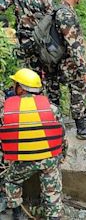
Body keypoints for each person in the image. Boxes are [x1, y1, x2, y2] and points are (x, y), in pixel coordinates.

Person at [0, 68, 67, 219]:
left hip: (23, 160)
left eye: (15, 84)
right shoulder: (52, 108)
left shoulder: (6, 111)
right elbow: (61, 136)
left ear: (21, 88)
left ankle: (17, 212)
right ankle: (54, 215)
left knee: (11, 180)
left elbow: (3, 139)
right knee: (53, 188)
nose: (13, 87)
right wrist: (61, 156)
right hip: (48, 159)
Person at [51, 0, 86, 140]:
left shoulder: (59, 9)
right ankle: (81, 129)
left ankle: (61, 123)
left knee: (57, 92)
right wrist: (84, 70)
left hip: (61, 60)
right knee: (78, 90)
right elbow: (74, 45)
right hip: (69, 62)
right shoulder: (65, 14)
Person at [0, 0, 54, 74]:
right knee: (39, 74)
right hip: (41, 43)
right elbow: (53, 21)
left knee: (22, 73)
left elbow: (1, 6)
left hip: (23, 42)